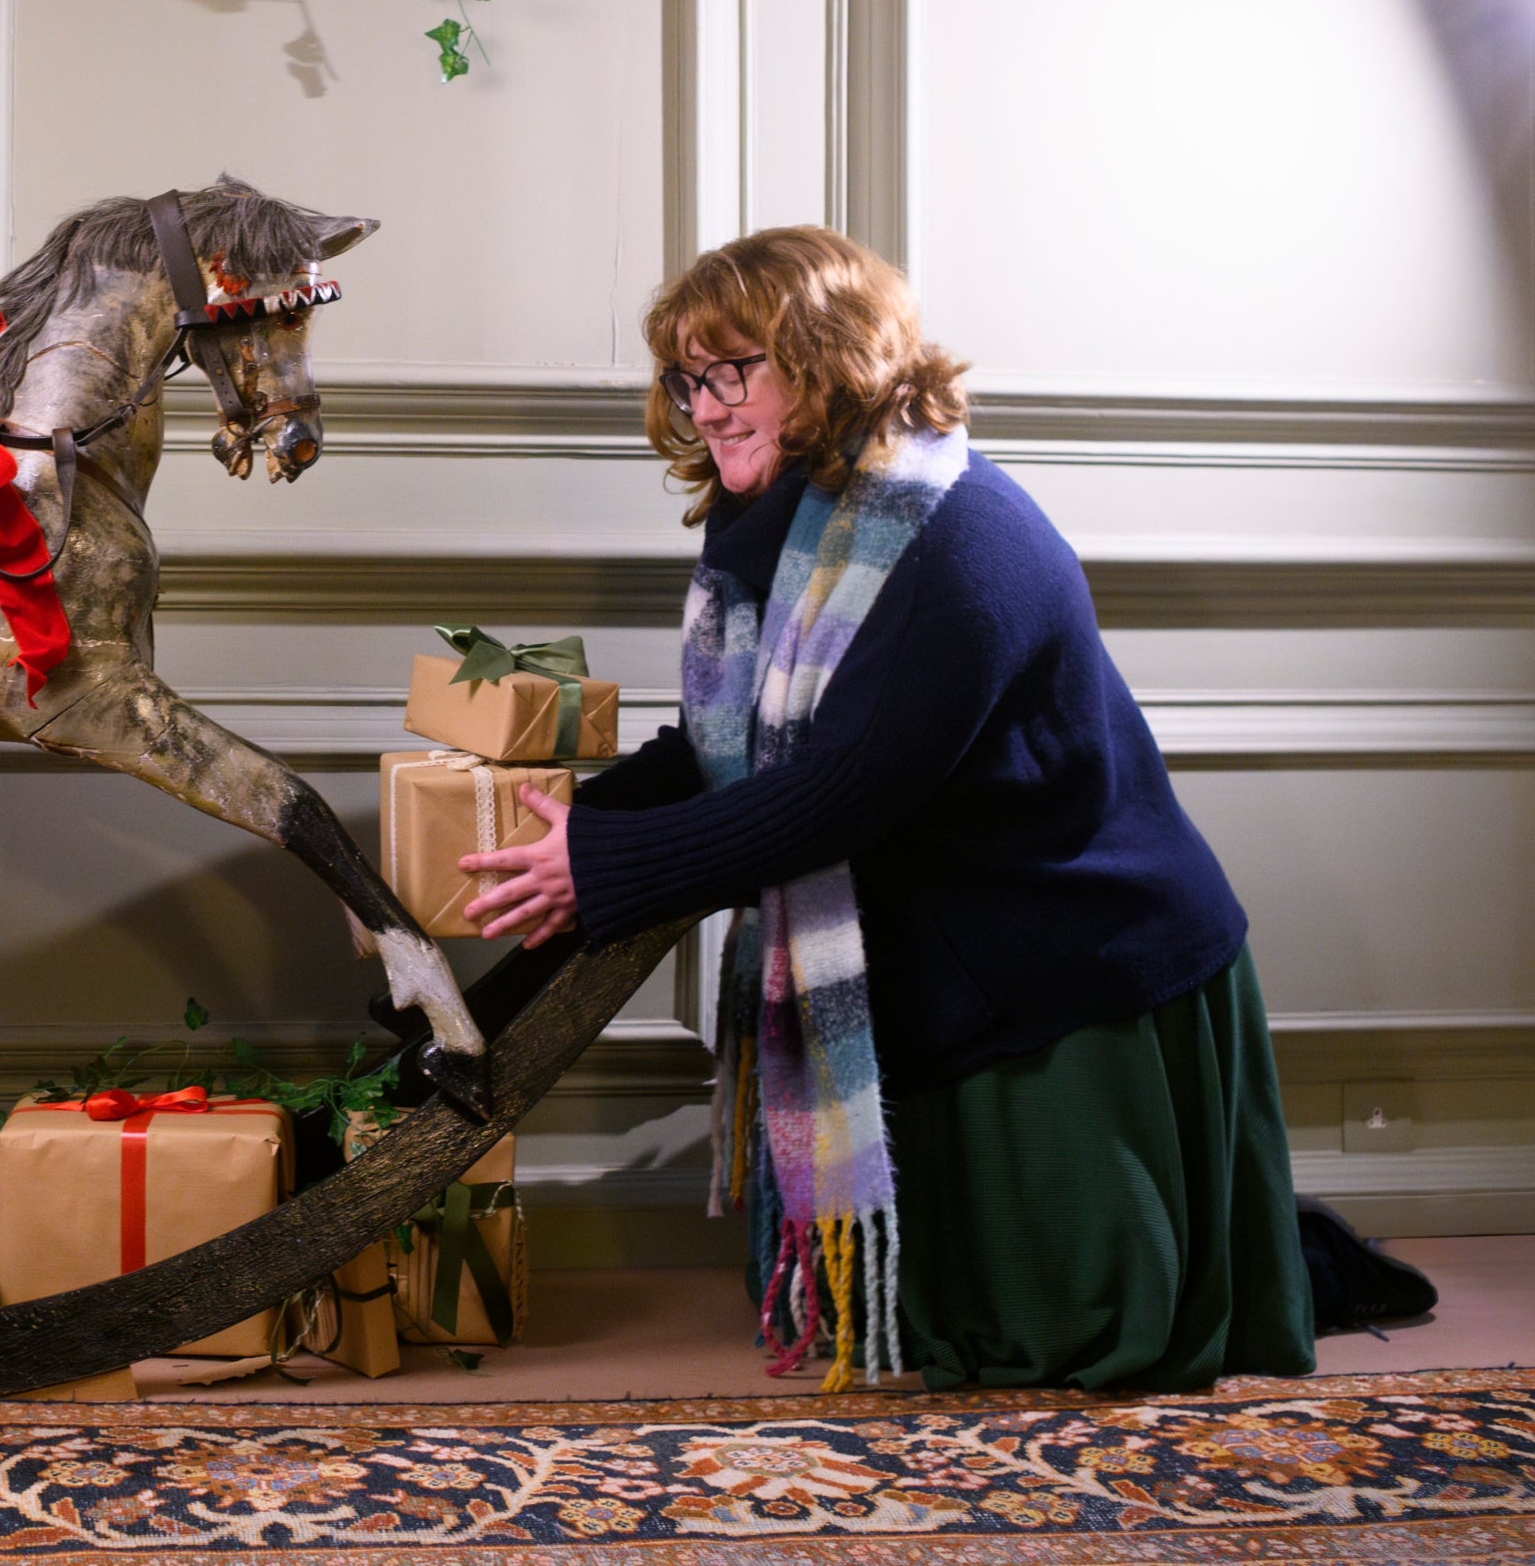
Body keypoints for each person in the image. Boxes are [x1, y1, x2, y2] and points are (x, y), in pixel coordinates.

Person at [456, 226, 1315, 1392]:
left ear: (824, 358)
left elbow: (838, 792)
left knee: (1060, 1348)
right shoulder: (782, 526)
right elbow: (728, 750)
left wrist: (596, 869)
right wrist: (545, 831)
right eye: (686, 378)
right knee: (949, 1331)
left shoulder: (959, 539)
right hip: (950, 943)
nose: (704, 409)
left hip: (1070, 960)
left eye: (733, 371)